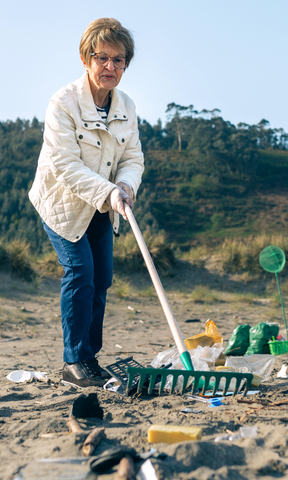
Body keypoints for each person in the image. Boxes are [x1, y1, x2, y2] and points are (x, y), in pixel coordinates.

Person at [29, 18, 144, 388]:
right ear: (85, 59)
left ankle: (89, 358)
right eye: (102, 57)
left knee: (103, 278)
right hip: (62, 202)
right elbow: (65, 164)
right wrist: (109, 192)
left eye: (119, 60)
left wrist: (125, 186)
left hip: (104, 205)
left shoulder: (127, 106)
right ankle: (73, 361)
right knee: (80, 273)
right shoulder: (63, 103)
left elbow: (133, 158)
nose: (110, 67)